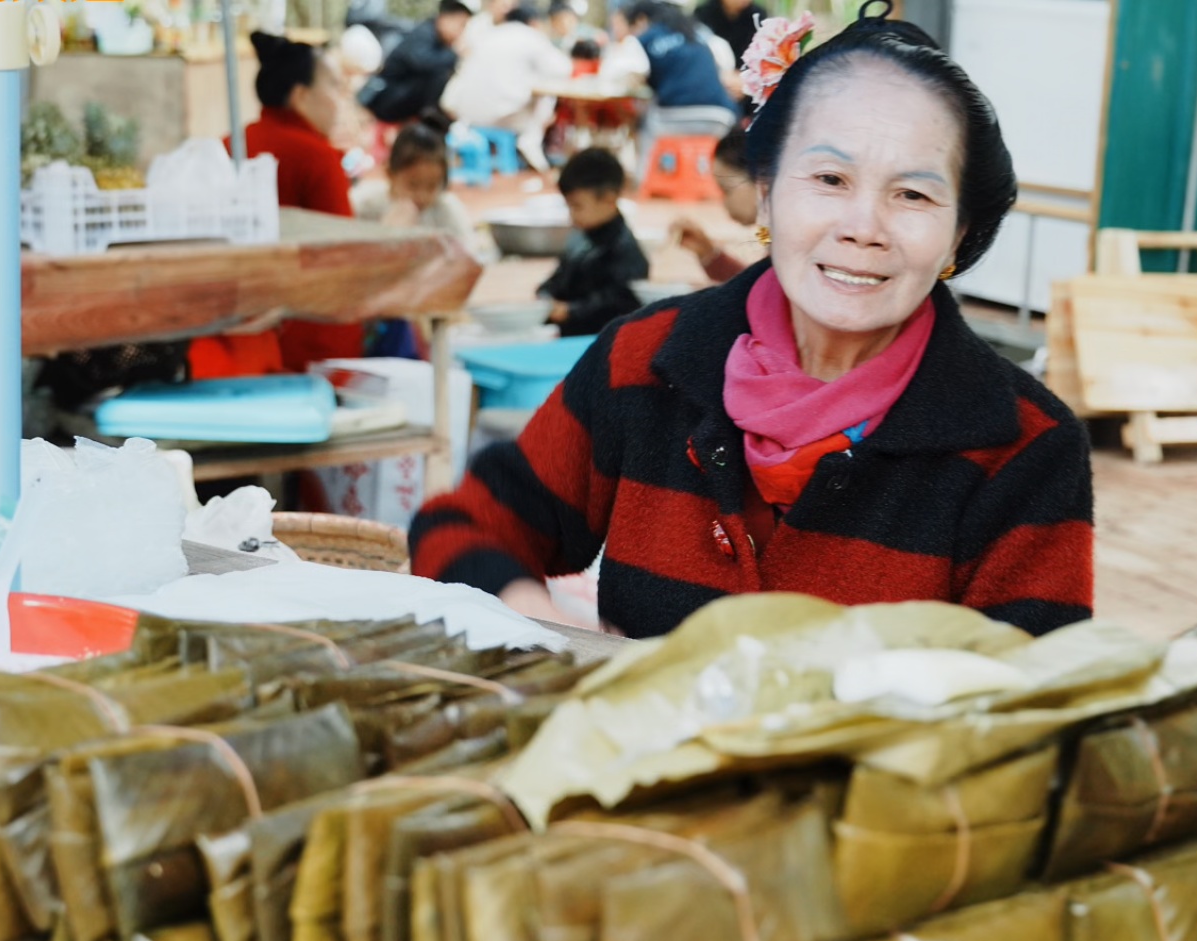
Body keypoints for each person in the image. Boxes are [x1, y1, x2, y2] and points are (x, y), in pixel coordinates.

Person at [409, 0, 1094, 640]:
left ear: (958, 236)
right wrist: (546, 634)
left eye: (912, 193)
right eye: (829, 179)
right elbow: (465, 527)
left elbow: (1035, 714)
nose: (863, 227)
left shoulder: (1026, 448)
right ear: (764, 197)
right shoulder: (644, 362)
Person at [197, 32, 363, 376]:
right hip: (308, 341)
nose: (341, 99)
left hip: (231, 334)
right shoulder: (317, 158)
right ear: (300, 95)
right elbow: (344, 256)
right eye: (333, 87)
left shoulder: (229, 145)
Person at [602, 0, 740, 168]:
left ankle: (645, 181)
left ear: (640, 20)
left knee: (643, 122)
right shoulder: (699, 34)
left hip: (674, 115)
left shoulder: (644, 39)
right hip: (723, 115)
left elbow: (625, 76)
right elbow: (726, 68)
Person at [440, 5, 573, 173]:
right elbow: (563, 69)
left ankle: (526, 145)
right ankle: (530, 141)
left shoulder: (488, 34)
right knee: (545, 96)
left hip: (465, 114)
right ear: (534, 23)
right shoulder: (530, 35)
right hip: (499, 116)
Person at [536, 148, 649, 337]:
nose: (571, 215)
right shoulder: (580, 238)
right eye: (569, 206)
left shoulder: (625, 249)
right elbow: (559, 279)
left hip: (601, 340)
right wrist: (544, 295)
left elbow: (621, 301)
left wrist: (570, 311)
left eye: (577, 206)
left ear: (608, 199)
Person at [666, 124, 765, 282]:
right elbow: (760, 284)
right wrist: (709, 253)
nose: (724, 203)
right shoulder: (766, 231)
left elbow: (759, 293)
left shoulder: (784, 237)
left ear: (761, 182)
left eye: (727, 191)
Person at [351, 122, 475, 247]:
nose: (422, 195)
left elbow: (468, 254)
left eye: (432, 186)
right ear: (390, 174)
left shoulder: (446, 209)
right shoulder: (365, 205)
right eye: (413, 185)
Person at [359, 0, 473, 125]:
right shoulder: (425, 32)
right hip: (385, 99)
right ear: (445, 18)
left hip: (397, 99)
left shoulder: (438, 41)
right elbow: (422, 62)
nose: (461, 32)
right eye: (461, 25)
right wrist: (454, 54)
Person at [694, 0, 767, 100]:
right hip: (713, 79)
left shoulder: (758, 17)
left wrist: (745, 80)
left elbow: (762, 57)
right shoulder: (702, 14)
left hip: (747, 84)